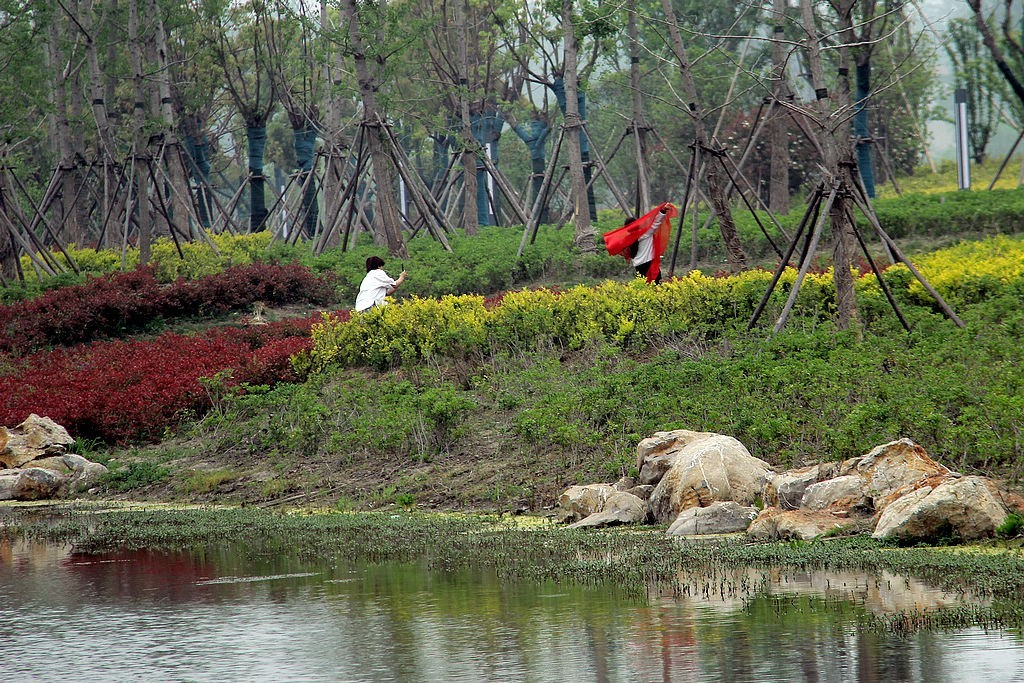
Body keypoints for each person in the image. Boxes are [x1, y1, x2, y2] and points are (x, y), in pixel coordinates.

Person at [602, 202, 677, 283]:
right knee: (656, 285)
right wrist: (663, 211)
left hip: (638, 265)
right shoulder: (645, 233)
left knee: (643, 286)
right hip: (648, 263)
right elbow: (656, 222)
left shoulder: (628, 238)